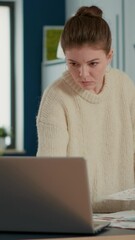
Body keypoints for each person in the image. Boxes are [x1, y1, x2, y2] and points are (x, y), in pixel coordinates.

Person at [36, 6, 135, 213]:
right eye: (73, 63)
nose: (83, 74)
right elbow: (50, 174)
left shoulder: (125, 86)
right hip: (77, 215)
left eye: (93, 63)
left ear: (109, 56)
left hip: (128, 215)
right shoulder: (55, 98)